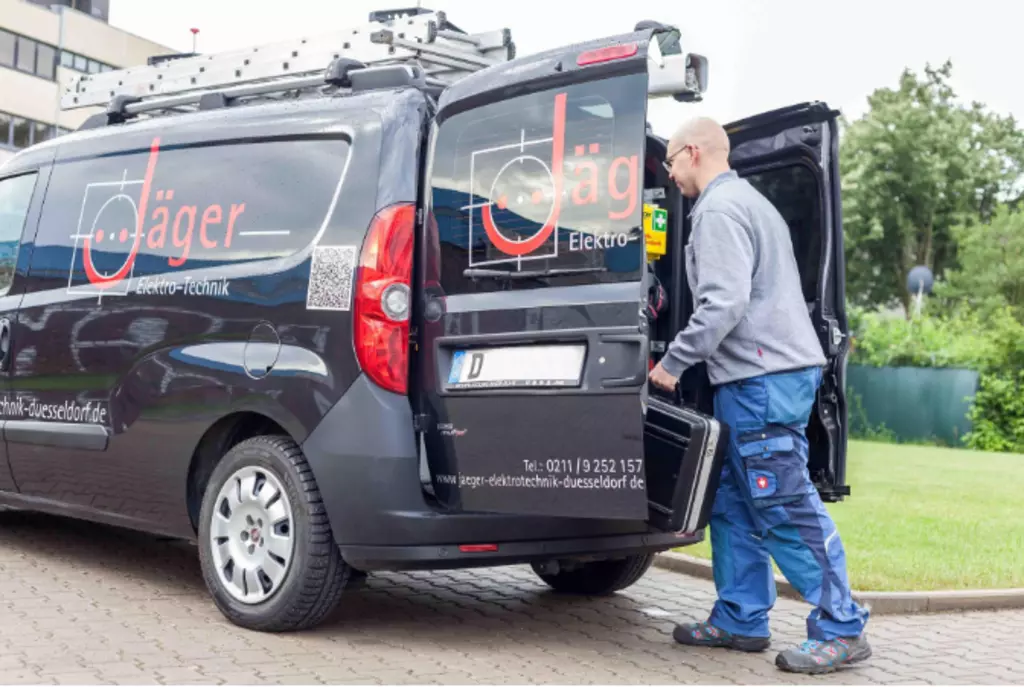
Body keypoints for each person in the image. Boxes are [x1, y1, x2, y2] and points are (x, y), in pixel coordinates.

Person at [648, 117, 871, 675]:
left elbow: (724, 304)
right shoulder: (752, 202)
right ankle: (741, 617)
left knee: (782, 501)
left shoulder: (719, 211)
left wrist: (672, 364)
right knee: (732, 500)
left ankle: (842, 626)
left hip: (762, 381)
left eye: (670, 161)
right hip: (756, 378)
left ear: (692, 152)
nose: (669, 173)